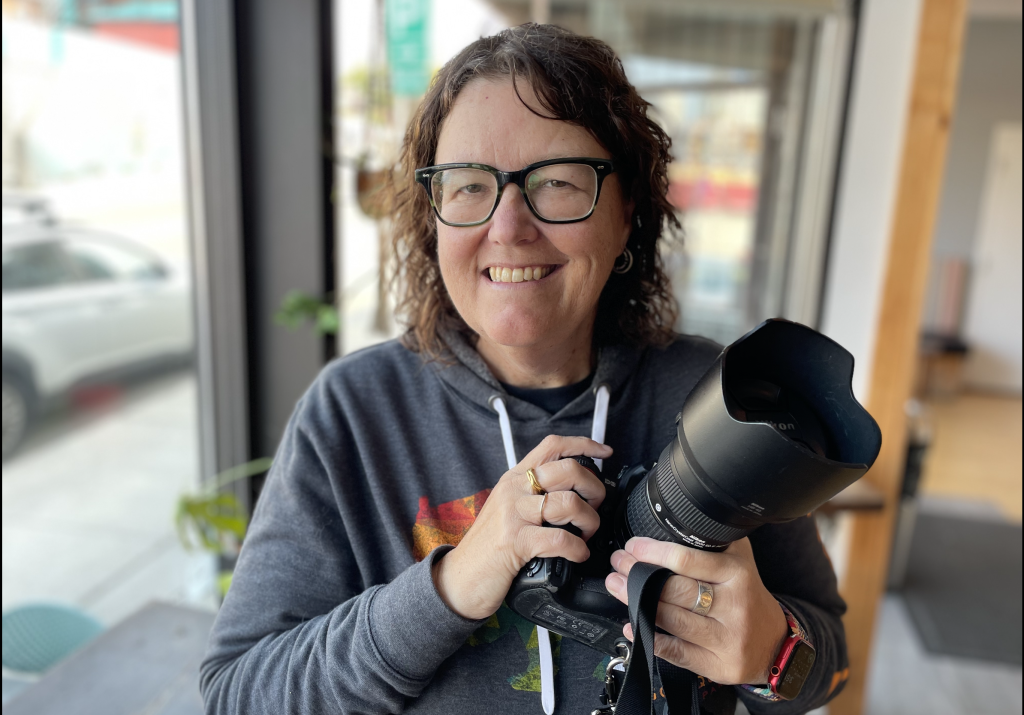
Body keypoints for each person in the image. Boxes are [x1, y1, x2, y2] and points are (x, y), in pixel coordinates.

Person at [200, 24, 848, 715]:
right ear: (434, 215)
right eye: (468, 185)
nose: (508, 227)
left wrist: (773, 652)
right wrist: (453, 584)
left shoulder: (720, 397)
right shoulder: (355, 412)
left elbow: (827, 659)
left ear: (628, 209)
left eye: (559, 182)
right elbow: (239, 692)